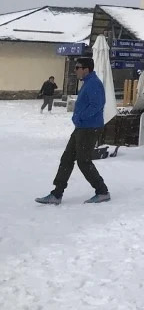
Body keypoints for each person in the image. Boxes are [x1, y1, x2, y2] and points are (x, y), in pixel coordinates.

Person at [35, 58, 110, 205]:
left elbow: (97, 105)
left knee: (83, 161)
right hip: (82, 127)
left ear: (86, 69)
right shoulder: (87, 83)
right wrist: (78, 118)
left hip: (89, 128)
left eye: (77, 68)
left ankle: (102, 191)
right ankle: (57, 193)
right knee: (67, 159)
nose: (75, 70)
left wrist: (81, 117)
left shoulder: (94, 83)